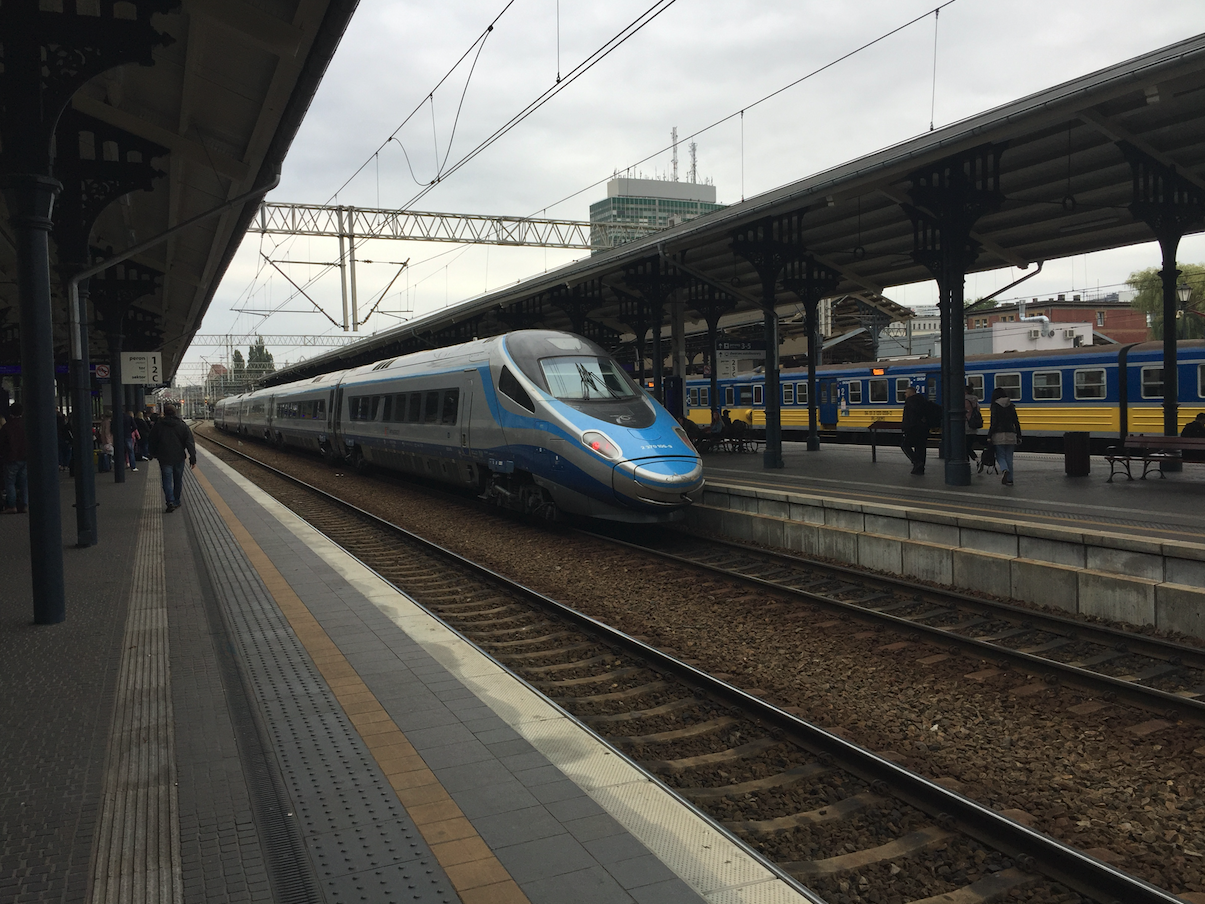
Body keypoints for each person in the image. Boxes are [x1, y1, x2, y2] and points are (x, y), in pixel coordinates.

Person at [148, 403, 196, 513]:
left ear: (164, 412)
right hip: (179, 457)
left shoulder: (159, 425)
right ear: (175, 412)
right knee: (178, 479)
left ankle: (170, 501)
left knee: (167, 479)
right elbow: (189, 443)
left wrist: (151, 453)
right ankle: (176, 501)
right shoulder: (182, 425)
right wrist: (192, 458)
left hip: (164, 457)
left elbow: (152, 440)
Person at [988, 387, 1023, 487]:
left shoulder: (995, 406)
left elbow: (994, 423)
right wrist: (1019, 435)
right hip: (1011, 434)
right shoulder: (1011, 405)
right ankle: (1010, 480)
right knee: (1009, 458)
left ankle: (1004, 469)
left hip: (999, 435)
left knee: (1000, 456)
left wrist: (989, 435)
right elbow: (1016, 422)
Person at [1, 403, 28, 514]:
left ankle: (12, 506)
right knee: (24, 483)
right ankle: (24, 504)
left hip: (11, 458)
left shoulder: (7, 427)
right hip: (24, 458)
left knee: (10, 483)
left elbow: (2, 443)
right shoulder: (26, 425)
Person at [900, 384, 930, 475]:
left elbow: (909, 417)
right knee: (921, 448)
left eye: (906, 393)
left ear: (910, 393)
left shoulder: (910, 401)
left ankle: (916, 462)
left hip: (913, 428)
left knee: (905, 445)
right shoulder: (923, 400)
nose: (905, 394)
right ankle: (920, 469)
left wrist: (905, 427)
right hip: (924, 428)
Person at [964, 383, 983, 466]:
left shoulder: (964, 401)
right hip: (974, 427)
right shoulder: (976, 402)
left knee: (965, 447)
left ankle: (976, 460)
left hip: (965, 426)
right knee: (968, 447)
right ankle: (970, 462)